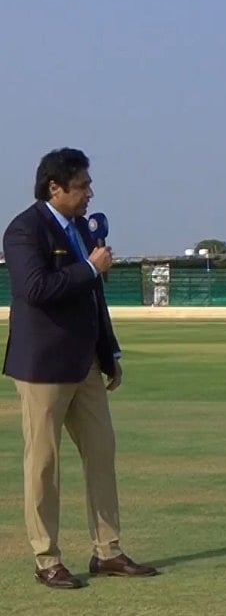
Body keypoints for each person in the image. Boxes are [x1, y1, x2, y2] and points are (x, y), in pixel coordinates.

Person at [3, 148, 157, 589]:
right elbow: (35, 288)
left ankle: (107, 551)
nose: (90, 192)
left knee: (102, 454)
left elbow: (94, 299)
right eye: (83, 185)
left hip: (86, 363)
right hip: (43, 368)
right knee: (44, 463)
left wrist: (109, 354)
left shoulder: (81, 230)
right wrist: (90, 267)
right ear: (56, 187)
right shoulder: (23, 230)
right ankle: (46, 559)